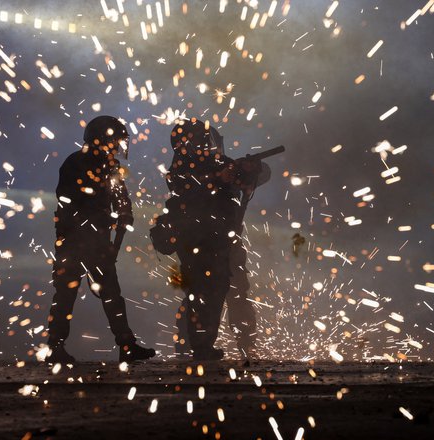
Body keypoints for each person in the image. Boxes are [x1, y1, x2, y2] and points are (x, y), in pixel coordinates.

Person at [46, 115, 156, 364]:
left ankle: (127, 345)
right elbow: (68, 198)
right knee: (65, 295)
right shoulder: (75, 162)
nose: (117, 146)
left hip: (97, 242)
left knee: (111, 295)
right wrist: (98, 212)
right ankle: (55, 348)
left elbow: (119, 193)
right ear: (102, 139)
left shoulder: (111, 165)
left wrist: (125, 211)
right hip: (74, 241)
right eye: (115, 140)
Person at [171, 124, 271, 359]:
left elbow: (259, 173)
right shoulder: (183, 168)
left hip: (227, 241)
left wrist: (252, 169)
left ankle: (246, 345)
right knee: (198, 294)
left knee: (236, 292)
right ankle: (190, 346)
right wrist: (218, 177)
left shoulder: (223, 164)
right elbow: (187, 187)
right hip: (196, 241)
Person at [164, 118, 239, 360]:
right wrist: (219, 179)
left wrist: (246, 172)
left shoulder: (217, 162)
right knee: (199, 289)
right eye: (202, 140)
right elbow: (190, 192)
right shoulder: (180, 167)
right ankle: (198, 345)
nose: (207, 144)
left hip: (218, 237)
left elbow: (240, 176)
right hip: (192, 237)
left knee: (218, 288)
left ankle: (205, 344)